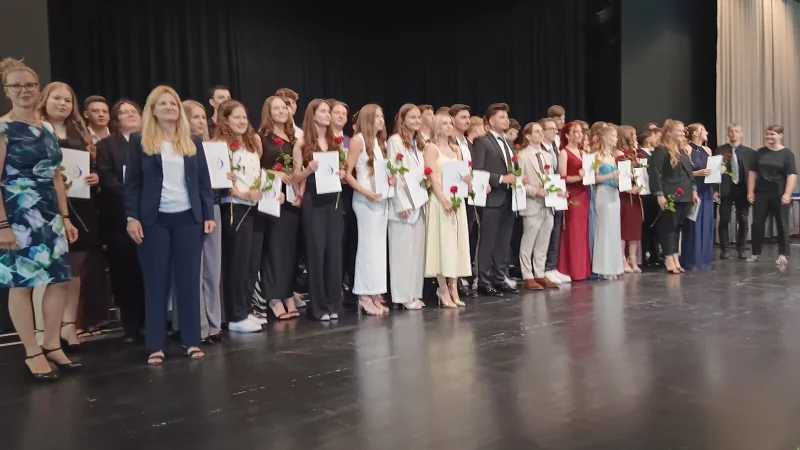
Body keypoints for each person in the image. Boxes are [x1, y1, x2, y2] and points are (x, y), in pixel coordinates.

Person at [0, 58, 80, 379]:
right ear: (7, 91)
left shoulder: (45, 126)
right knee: (21, 284)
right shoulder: (3, 127)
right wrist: (2, 224)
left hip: (49, 213)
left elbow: (56, 176)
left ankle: (51, 344)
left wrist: (65, 216)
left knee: (58, 280)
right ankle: (32, 351)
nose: (24, 91)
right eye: (16, 86)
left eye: (30, 85)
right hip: (17, 214)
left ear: (38, 89)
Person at [124, 85, 215, 365]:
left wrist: (208, 214)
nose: (169, 108)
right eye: (163, 104)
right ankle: (155, 344)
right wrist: (132, 217)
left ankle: (191, 341)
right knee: (156, 282)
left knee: (188, 282)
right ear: (152, 109)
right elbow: (132, 184)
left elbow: (203, 182)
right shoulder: (140, 141)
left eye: (173, 104)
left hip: (189, 219)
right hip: (154, 221)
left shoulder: (193, 142)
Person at [35, 82, 105, 349]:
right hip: (46, 206)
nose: (63, 104)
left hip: (81, 206)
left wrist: (95, 176)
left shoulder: (80, 131)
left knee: (75, 270)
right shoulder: (35, 128)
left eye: (67, 100)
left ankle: (68, 327)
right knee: (48, 271)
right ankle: (43, 332)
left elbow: (93, 165)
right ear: (45, 99)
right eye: (57, 98)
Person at [215, 100, 269, 333]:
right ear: (225, 119)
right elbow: (220, 181)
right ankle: (235, 315)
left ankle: (246, 309)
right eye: (236, 117)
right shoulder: (219, 144)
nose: (241, 121)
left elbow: (258, 174)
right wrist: (242, 193)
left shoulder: (251, 142)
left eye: (244, 117)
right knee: (237, 263)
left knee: (251, 262)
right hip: (235, 207)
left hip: (255, 206)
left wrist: (268, 192)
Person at [96, 99, 146, 344]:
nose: (130, 115)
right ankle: (131, 327)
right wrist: (133, 193)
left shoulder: (150, 143)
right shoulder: (106, 145)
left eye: (133, 111)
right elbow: (106, 177)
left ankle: (152, 321)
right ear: (115, 120)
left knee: (148, 271)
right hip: (118, 218)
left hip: (150, 216)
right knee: (125, 274)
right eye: (124, 112)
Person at [292, 99, 344, 321]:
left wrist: (341, 173)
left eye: (328, 111)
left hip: (333, 199)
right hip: (313, 199)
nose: (327, 114)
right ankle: (319, 306)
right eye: (323, 111)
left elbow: (340, 168)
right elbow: (295, 176)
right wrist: (308, 170)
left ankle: (334, 303)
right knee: (316, 251)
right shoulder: (302, 143)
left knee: (334, 252)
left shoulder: (335, 141)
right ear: (313, 115)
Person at [182, 99, 223, 343]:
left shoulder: (212, 147)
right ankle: (198, 327)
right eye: (194, 117)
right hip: (188, 211)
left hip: (213, 209)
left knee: (212, 270)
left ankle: (214, 325)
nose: (200, 121)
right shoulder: (181, 148)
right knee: (193, 272)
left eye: (201, 117)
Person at [257, 95, 301, 320]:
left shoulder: (295, 138)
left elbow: (299, 168)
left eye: (284, 107)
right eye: (276, 108)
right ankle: (274, 298)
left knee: (290, 251)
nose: (282, 111)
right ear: (268, 112)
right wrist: (275, 174)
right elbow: (254, 169)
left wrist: (300, 191)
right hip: (272, 200)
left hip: (293, 200)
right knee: (273, 250)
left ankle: (288, 294)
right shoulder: (261, 138)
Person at [344, 104, 390, 315]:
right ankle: (363, 294)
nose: (381, 120)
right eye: (377, 116)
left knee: (379, 250)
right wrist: (366, 192)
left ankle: (375, 291)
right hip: (365, 201)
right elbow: (348, 173)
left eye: (382, 116)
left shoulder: (381, 143)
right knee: (367, 249)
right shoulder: (358, 140)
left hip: (381, 200)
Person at [423, 113, 472, 307]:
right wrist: (443, 199)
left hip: (457, 200)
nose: (449, 125)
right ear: (436, 126)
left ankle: (454, 286)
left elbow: (461, 175)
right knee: (442, 245)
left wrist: (468, 181)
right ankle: (442, 288)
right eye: (444, 123)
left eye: (450, 123)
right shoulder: (431, 148)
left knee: (456, 245)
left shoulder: (456, 149)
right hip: (440, 200)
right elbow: (432, 177)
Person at [472, 103, 518, 296]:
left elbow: (511, 168)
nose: (506, 120)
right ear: (491, 121)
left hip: (509, 196)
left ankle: (500, 277)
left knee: (503, 240)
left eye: (506, 117)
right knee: (488, 240)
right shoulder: (482, 142)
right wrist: (500, 179)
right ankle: (484, 280)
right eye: (501, 117)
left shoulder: (508, 142)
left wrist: (517, 177)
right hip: (492, 197)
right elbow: (478, 170)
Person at [386, 104, 427, 309]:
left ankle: (414, 293)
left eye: (419, 117)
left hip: (419, 202)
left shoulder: (419, 143)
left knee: (417, 253)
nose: (417, 120)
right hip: (403, 204)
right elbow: (394, 173)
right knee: (402, 253)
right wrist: (399, 202)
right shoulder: (395, 142)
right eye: (412, 117)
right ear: (402, 120)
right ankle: (402, 296)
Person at [648, 119, 699, 274]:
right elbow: (655, 174)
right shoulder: (661, 151)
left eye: (683, 130)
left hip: (685, 194)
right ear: (669, 132)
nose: (682, 133)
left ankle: (675, 256)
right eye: (679, 130)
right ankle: (668, 258)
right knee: (668, 227)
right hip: (670, 194)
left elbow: (689, 174)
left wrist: (694, 191)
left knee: (678, 228)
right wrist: (659, 195)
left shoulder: (683, 151)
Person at [747, 125, 796, 265]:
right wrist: (750, 191)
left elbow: (791, 174)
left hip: (779, 193)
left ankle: (783, 254)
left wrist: (787, 193)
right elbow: (752, 173)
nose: (769, 137)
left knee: (782, 224)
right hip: (761, 193)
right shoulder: (760, 152)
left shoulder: (787, 154)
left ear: (781, 135)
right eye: (767, 134)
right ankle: (755, 253)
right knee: (757, 224)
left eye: (772, 134)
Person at [517, 122, 558, 290]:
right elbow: (519, 183)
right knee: (529, 240)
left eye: (542, 131)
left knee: (544, 240)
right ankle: (527, 275)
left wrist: (558, 191)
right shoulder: (522, 156)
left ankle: (540, 273)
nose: (541, 134)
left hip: (548, 204)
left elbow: (552, 180)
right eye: (537, 131)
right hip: (532, 203)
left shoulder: (547, 156)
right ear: (527, 136)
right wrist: (534, 191)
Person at [450, 104, 478, 297]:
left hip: (467, 194)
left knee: (466, 235)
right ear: (452, 120)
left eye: (468, 117)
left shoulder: (467, 144)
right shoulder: (450, 142)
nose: (467, 121)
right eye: (463, 117)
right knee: (455, 236)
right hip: (453, 194)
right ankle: (454, 278)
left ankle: (462, 274)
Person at [715, 123, 754, 259]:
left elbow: (753, 174)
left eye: (737, 131)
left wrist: (752, 191)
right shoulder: (720, 150)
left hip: (743, 190)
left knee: (743, 220)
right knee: (724, 219)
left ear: (741, 134)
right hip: (726, 189)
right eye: (731, 131)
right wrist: (715, 190)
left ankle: (741, 249)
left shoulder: (749, 152)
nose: (734, 134)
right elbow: (714, 172)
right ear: (728, 133)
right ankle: (724, 249)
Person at [590, 124, 624, 279]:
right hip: (603, 193)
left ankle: (613, 266)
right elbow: (594, 178)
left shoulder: (611, 156)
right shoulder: (597, 156)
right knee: (604, 230)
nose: (616, 138)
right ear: (605, 137)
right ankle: (603, 268)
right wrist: (612, 176)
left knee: (613, 230)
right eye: (613, 136)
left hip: (613, 193)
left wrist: (622, 181)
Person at [680, 123, 716, 270]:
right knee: (693, 225)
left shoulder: (707, 150)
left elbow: (711, 171)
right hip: (694, 189)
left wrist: (719, 170)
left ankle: (704, 259)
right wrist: (698, 173)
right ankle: (691, 260)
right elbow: (683, 172)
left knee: (706, 224)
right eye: (703, 129)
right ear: (695, 133)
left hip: (707, 190)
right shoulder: (686, 149)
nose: (706, 132)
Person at [541, 118, 570, 284]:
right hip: (545, 193)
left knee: (556, 229)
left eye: (555, 129)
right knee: (547, 232)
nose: (554, 132)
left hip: (557, 192)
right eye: (550, 129)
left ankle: (551, 267)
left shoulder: (554, 148)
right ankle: (545, 268)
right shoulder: (540, 150)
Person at [615, 125, 643, 273]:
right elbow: (620, 176)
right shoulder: (620, 155)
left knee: (634, 228)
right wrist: (629, 188)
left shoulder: (635, 154)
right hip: (625, 196)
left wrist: (640, 185)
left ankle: (633, 257)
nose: (636, 138)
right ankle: (622, 258)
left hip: (636, 195)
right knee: (624, 228)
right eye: (633, 136)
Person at [638, 128, 662, 266]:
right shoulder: (641, 155)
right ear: (648, 139)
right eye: (655, 136)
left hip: (653, 193)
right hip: (646, 193)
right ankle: (645, 252)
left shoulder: (653, 154)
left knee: (655, 225)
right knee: (647, 224)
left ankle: (655, 252)